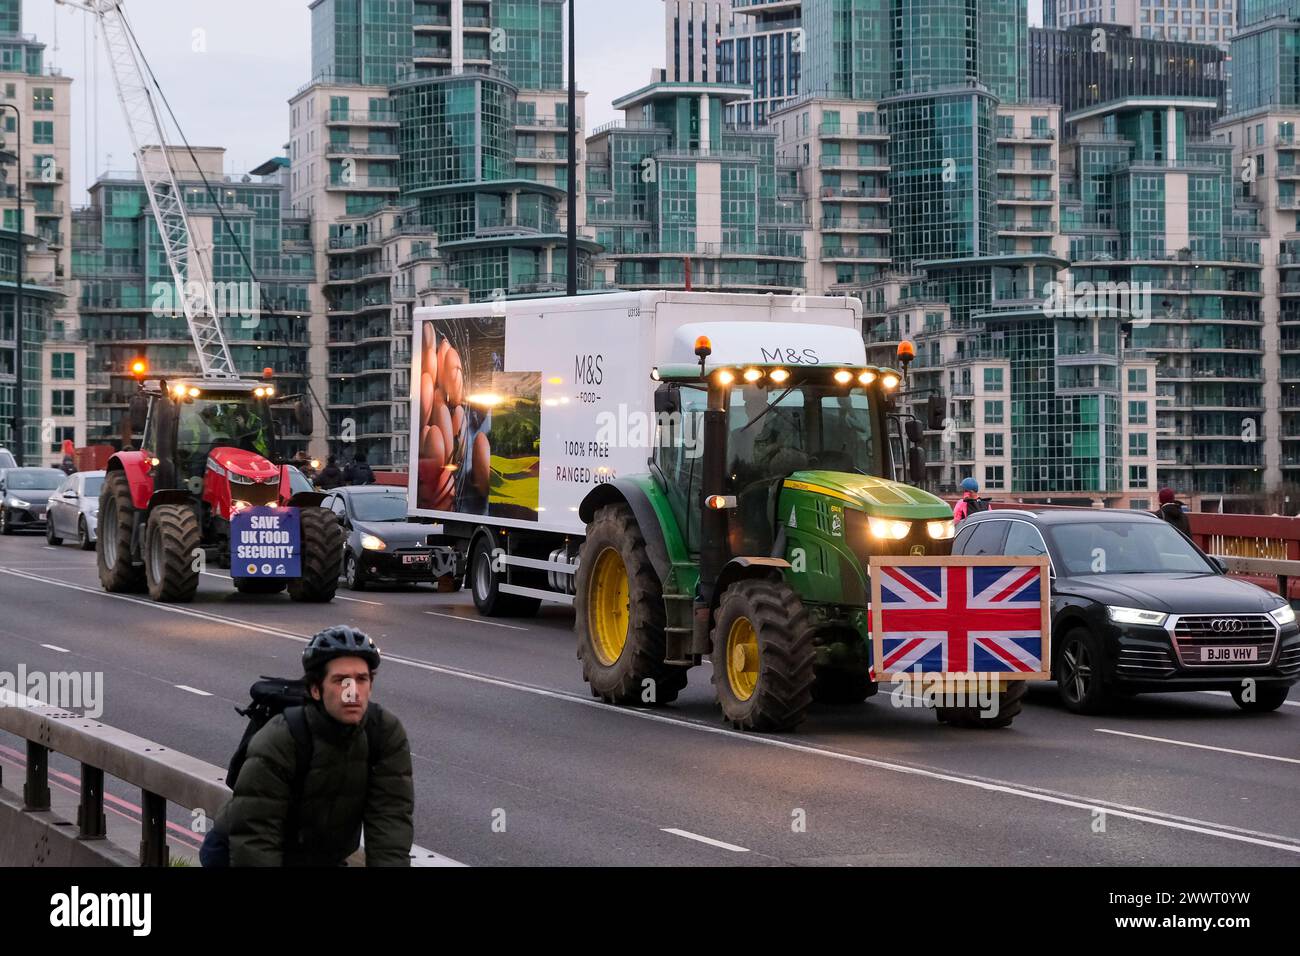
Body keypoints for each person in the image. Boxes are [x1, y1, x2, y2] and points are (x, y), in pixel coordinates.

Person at [206, 626, 414, 867]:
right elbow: (256, 835)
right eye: (340, 681)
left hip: (318, 853)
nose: (352, 692)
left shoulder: (384, 733)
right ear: (316, 689)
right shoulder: (282, 737)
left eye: (361, 679)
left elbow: (390, 822)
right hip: (238, 850)